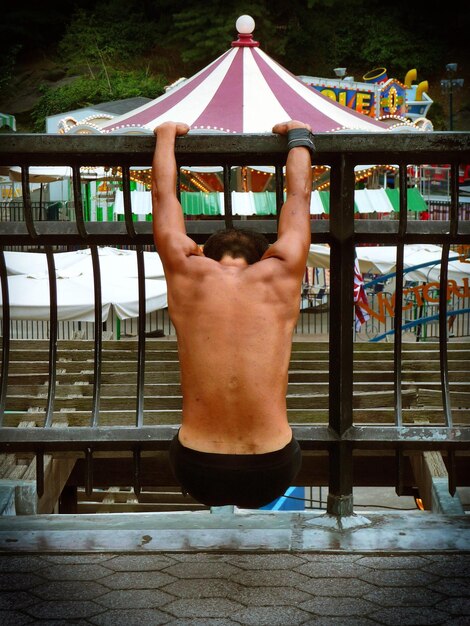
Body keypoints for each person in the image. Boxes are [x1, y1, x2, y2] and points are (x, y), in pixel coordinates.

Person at [152, 120, 314, 508]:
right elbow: (300, 195)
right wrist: (297, 135)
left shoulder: (187, 271)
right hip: (272, 467)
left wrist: (166, 135)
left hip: (196, 466)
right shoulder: (282, 271)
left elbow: (162, 195)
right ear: (265, 255)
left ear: (204, 252)